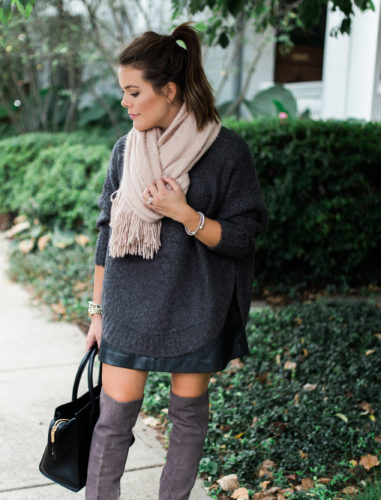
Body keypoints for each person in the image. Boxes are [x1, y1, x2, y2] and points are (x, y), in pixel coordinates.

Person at [84, 21, 268, 500]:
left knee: (187, 422)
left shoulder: (227, 152)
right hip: (128, 307)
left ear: (169, 89)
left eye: (133, 91)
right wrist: (97, 311)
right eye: (122, 92)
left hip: (196, 305)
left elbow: (243, 236)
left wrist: (185, 214)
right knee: (112, 423)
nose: (125, 103)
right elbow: (107, 232)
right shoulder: (126, 150)